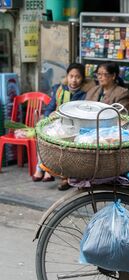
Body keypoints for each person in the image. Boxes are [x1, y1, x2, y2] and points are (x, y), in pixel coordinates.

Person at [32, 62, 94, 190]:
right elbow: (50, 107)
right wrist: (49, 116)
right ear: (67, 76)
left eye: (77, 77)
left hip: (74, 126)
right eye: (71, 76)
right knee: (42, 133)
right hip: (57, 123)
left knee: (60, 140)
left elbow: (82, 113)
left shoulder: (85, 93)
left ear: (82, 78)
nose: (74, 80)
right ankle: (42, 168)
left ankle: (54, 172)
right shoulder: (59, 89)